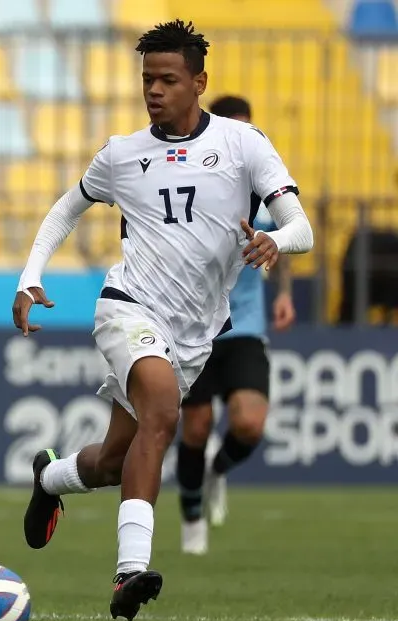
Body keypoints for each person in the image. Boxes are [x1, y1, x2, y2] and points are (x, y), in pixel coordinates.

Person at [11, 20, 313, 621]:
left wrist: (277, 241)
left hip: (196, 333)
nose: (153, 90)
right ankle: (130, 572)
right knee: (163, 416)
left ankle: (51, 479)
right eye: (147, 78)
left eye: (167, 79)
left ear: (198, 82)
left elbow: (301, 226)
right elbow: (67, 207)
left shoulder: (243, 144)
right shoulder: (122, 154)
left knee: (115, 461)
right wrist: (30, 274)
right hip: (128, 307)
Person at [176, 95, 296, 556]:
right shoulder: (190, 184)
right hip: (197, 328)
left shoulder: (264, 189)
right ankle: (191, 520)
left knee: (248, 424)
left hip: (245, 327)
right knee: (195, 427)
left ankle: (217, 471)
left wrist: (283, 292)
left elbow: (283, 241)